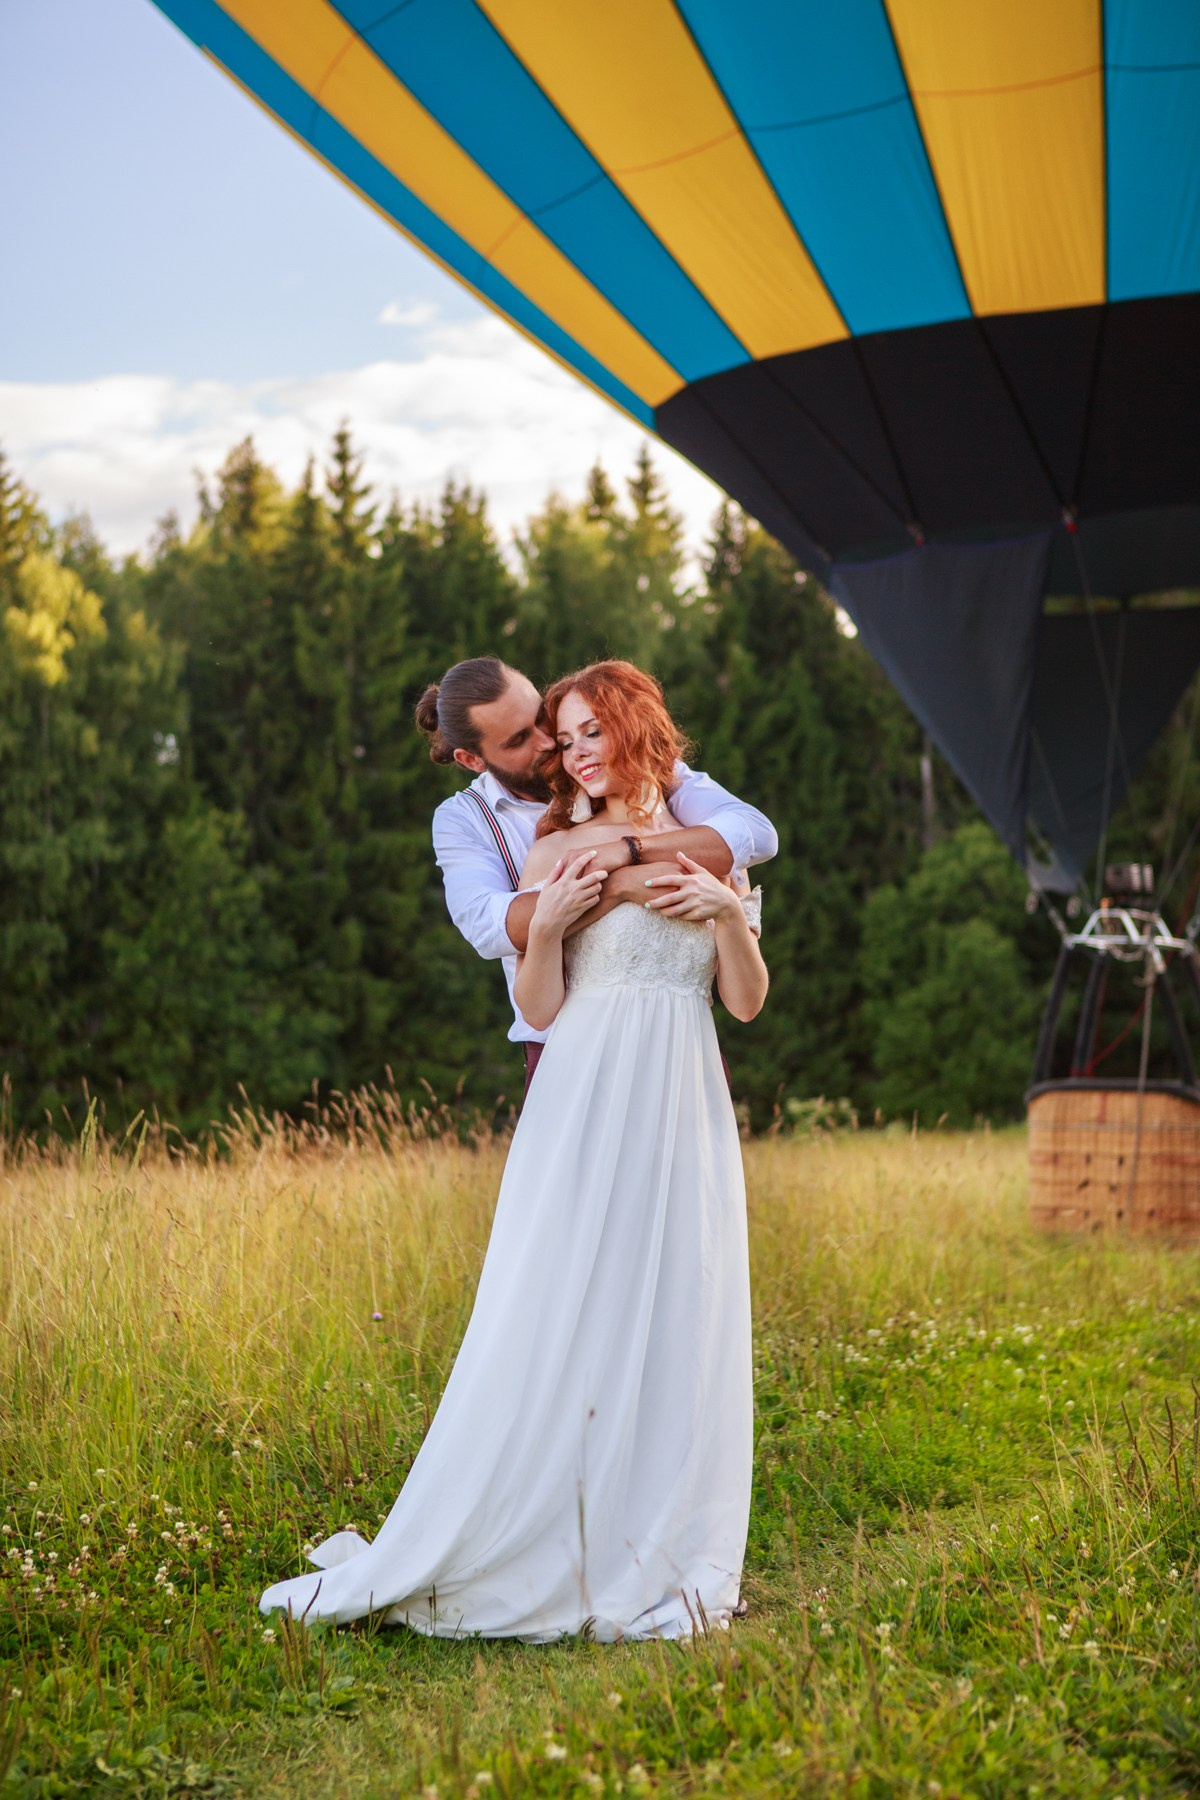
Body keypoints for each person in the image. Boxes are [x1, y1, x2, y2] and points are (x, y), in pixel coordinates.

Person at [259, 660, 768, 1640]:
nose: (560, 751)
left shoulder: (709, 842)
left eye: (577, 731)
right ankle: (541, 1527)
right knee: (563, 1305)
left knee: (677, 1307)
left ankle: (655, 1531)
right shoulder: (530, 845)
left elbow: (745, 995)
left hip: (683, 1100)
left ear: (632, 731)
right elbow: (531, 993)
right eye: (547, 737)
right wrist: (563, 918)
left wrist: (719, 911)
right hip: (579, 1092)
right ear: (472, 752)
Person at [413, 656, 776, 1093]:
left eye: (542, 719)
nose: (550, 743)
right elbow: (491, 927)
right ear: (472, 759)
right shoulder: (466, 820)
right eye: (519, 740)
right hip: (566, 1052)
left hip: (682, 1054)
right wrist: (620, 885)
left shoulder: (655, 775)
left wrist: (626, 850)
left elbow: (753, 834)